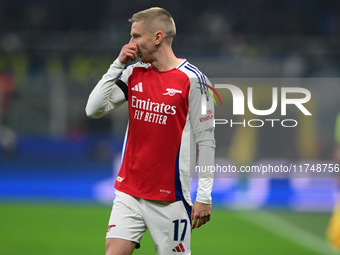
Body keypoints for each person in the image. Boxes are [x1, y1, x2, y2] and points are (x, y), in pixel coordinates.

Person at [86, 7, 215, 255]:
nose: (130, 44)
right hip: (129, 191)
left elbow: (206, 141)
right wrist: (117, 64)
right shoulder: (134, 72)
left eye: (136, 36)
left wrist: (205, 195)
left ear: (157, 37)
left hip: (170, 198)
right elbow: (93, 109)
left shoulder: (194, 80)